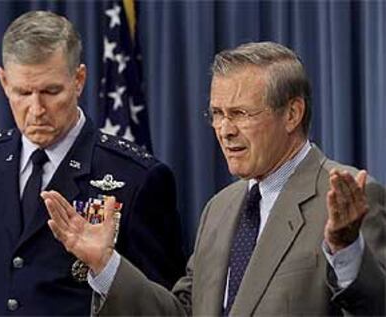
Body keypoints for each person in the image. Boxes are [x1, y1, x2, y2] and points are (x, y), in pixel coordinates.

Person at [43, 41, 386, 316]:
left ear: (292, 114)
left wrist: (346, 250)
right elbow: (180, 312)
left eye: (240, 114)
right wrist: (106, 265)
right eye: (217, 114)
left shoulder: (349, 198)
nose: (224, 130)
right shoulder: (220, 209)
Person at [0, 10, 185, 316]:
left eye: (50, 91)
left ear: (79, 80)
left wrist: (106, 267)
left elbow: (165, 308)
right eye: (22, 92)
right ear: (4, 82)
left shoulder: (137, 178)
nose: (36, 109)